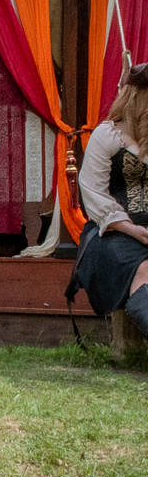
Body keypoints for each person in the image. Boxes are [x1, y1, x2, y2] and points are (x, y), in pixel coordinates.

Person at [69, 63, 148, 333]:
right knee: (143, 268)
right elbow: (93, 191)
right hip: (114, 232)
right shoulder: (108, 135)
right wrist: (133, 230)